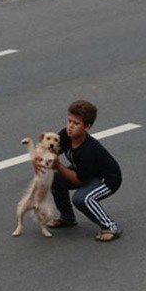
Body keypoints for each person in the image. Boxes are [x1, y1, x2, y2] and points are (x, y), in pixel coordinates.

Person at [35, 99, 123, 242]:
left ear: (87, 127)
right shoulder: (65, 135)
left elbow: (78, 180)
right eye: (69, 121)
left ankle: (109, 226)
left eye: (76, 123)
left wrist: (57, 165)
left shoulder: (89, 149)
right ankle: (67, 218)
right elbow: (51, 151)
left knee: (82, 199)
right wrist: (42, 161)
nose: (70, 126)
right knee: (51, 180)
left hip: (108, 180)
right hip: (87, 173)